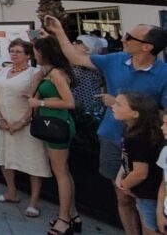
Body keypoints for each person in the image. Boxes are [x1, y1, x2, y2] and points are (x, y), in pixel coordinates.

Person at [44, 16, 167, 235]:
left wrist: (125, 105)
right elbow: (75, 57)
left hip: (145, 144)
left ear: (147, 47)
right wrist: (59, 31)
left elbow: (164, 114)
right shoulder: (115, 59)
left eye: (129, 36)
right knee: (122, 194)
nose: (123, 38)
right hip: (112, 137)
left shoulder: (164, 74)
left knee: (141, 197)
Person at [0, 38, 50, 218]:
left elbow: (34, 99)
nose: (14, 54)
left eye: (18, 51)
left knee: (33, 160)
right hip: (5, 121)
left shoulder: (35, 73)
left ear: (28, 55)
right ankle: (11, 192)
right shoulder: (4, 71)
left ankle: (34, 201)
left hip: (25, 122)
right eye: (12, 51)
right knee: (4, 156)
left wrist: (23, 121)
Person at [27, 36, 78, 235]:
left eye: (36, 51)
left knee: (61, 173)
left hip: (58, 123)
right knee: (63, 171)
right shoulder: (46, 73)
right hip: (50, 124)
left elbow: (69, 102)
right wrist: (37, 81)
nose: (34, 55)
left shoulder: (56, 74)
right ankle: (73, 214)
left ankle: (64, 219)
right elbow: (31, 96)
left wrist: (40, 104)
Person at [113, 92, 164, 235]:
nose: (113, 106)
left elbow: (140, 173)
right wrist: (121, 176)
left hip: (148, 193)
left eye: (119, 104)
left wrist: (124, 185)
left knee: (150, 227)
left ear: (135, 113)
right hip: (143, 192)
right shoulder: (130, 130)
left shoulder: (138, 139)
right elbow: (127, 160)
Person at [71, 36, 105, 110]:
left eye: (78, 42)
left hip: (90, 108)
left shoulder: (93, 63)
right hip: (77, 106)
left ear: (87, 48)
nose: (74, 43)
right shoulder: (74, 63)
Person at [155, 111, 167, 233]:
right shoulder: (165, 151)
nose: (162, 127)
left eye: (166, 124)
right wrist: (159, 212)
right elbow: (164, 182)